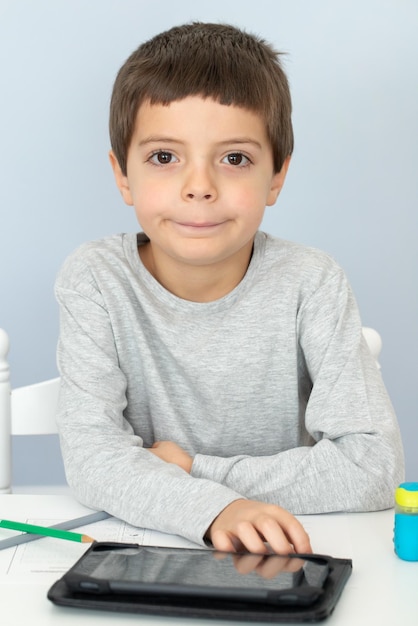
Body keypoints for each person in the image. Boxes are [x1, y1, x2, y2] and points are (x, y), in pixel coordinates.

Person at [55, 22, 404, 555]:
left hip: (281, 551)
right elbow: (92, 457)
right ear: (123, 175)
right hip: (149, 547)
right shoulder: (96, 279)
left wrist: (199, 471)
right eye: (164, 157)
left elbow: (374, 466)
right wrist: (214, 507)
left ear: (276, 175)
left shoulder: (312, 281)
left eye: (234, 158)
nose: (200, 187)